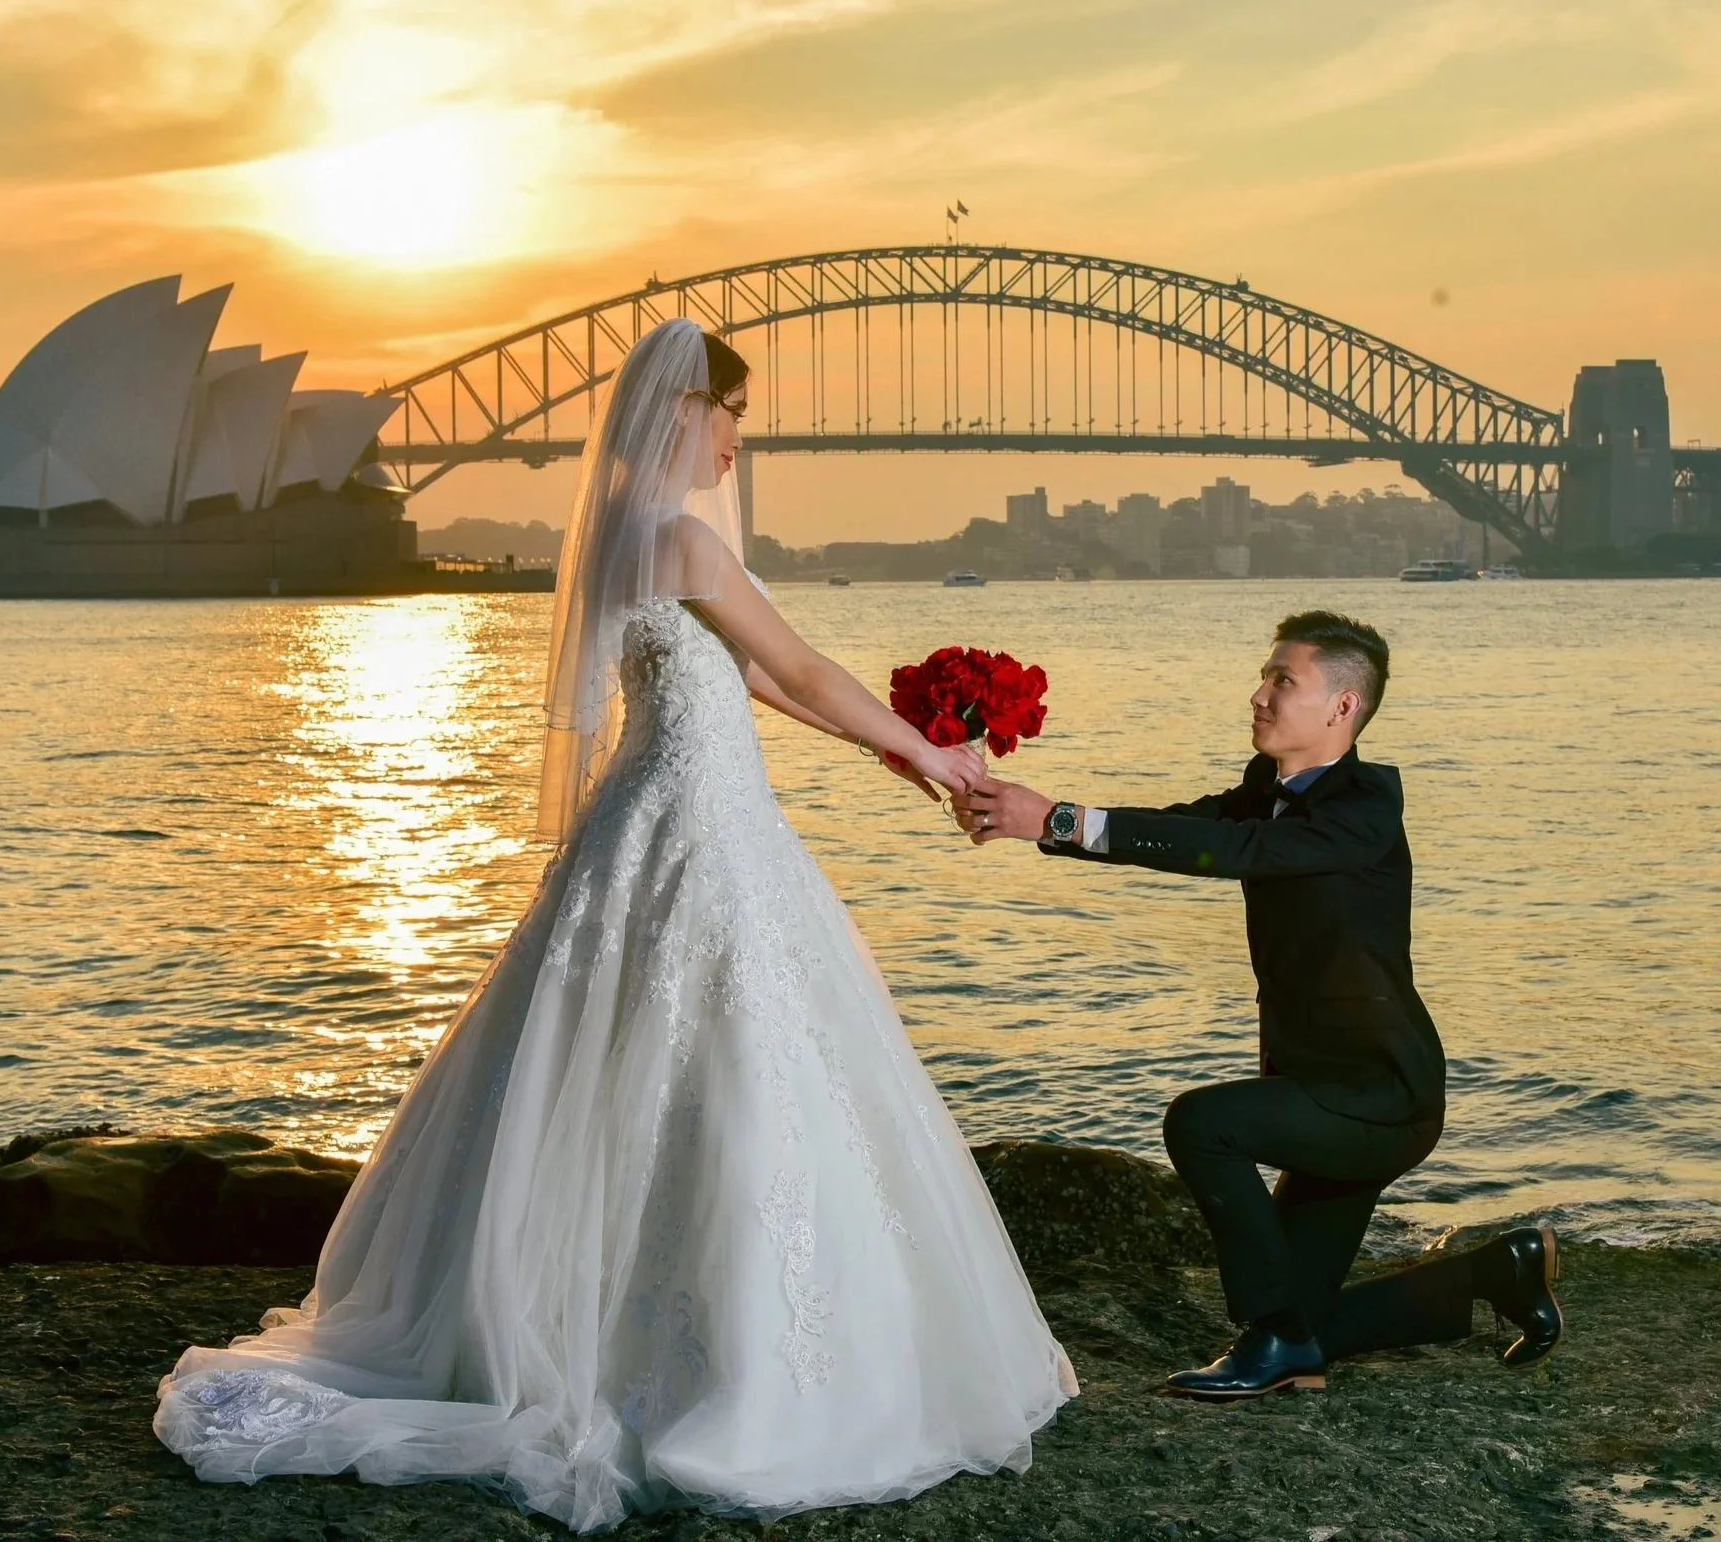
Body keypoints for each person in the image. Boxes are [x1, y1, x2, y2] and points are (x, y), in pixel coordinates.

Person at [155, 319, 1076, 1530]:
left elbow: (744, 680)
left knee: (630, 1058)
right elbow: (797, 668)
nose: (742, 439)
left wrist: (904, 760)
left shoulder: (621, 539)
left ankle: (601, 1312)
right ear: (684, 411)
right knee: (732, 1058)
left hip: (645, 818)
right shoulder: (683, 535)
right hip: (700, 826)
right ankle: (726, 1359)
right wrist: (930, 752)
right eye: (732, 412)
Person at [956, 612, 1562, 1399]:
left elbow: (1237, 854)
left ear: (1343, 708)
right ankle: (1502, 1270)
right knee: (1304, 1327)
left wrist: (1061, 818)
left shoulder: (1363, 811)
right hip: (1322, 1086)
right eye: (1265, 674)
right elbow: (1192, 829)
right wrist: (1040, 821)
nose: (1260, 693)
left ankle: (1276, 1337)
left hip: (1380, 1095)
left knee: (1201, 1123)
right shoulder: (1266, 792)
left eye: (1285, 680)